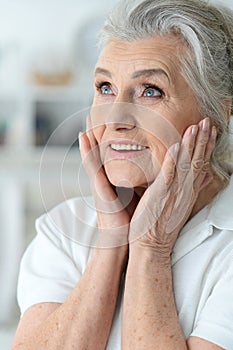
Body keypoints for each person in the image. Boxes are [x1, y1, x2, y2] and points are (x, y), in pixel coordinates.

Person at [11, 0, 233, 349]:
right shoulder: (64, 230)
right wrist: (112, 241)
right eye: (105, 88)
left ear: (217, 114)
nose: (115, 119)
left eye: (150, 91)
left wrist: (150, 247)